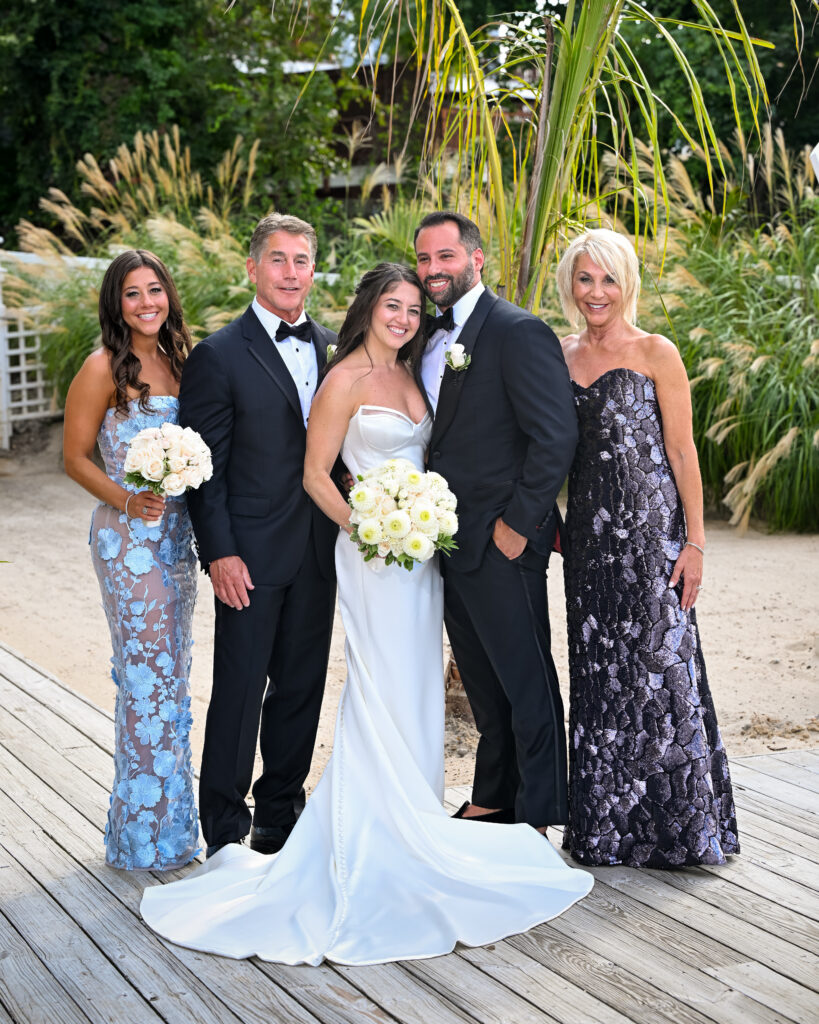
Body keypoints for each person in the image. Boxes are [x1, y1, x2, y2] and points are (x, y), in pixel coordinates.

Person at [140, 262, 592, 965]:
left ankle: (414, 812)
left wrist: (421, 519)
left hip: (421, 558)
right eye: (392, 304)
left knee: (414, 684)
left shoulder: (416, 376)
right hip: (375, 556)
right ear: (368, 308)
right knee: (379, 681)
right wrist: (364, 527)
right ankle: (376, 832)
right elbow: (315, 473)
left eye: (414, 307)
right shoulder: (343, 376)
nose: (404, 317)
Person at [555, 227, 739, 868]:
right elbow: (550, 450)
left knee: (662, 673)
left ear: (627, 282)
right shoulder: (560, 354)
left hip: (652, 539)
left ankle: (679, 831)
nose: (596, 292)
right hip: (587, 547)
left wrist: (695, 543)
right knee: (602, 677)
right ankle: (607, 830)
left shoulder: (657, 352)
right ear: (570, 285)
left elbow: (684, 453)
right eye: (585, 278)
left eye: (608, 279)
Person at [176, 213, 338, 858]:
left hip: (318, 551)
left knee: (301, 687)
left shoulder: (333, 347)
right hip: (247, 552)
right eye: (278, 259)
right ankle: (222, 827)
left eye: (302, 260)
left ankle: (280, 812)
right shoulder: (217, 355)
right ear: (252, 268)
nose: (291, 272)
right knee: (241, 689)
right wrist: (218, 550)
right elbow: (203, 468)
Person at [415, 211, 578, 832]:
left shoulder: (515, 331)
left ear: (476, 259)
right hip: (449, 539)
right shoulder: (425, 337)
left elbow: (554, 435)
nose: (433, 270)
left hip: (503, 539)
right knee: (484, 681)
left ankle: (538, 811)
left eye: (445, 257)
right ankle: (494, 794)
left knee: (524, 675)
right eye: (425, 259)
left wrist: (517, 525)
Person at [63, 249, 199, 870]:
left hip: (177, 541)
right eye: (133, 294)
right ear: (116, 304)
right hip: (127, 543)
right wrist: (125, 499)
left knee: (173, 677)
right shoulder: (100, 368)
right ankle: (139, 838)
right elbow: (75, 457)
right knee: (144, 679)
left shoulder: (183, 361)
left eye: (156, 291)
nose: (148, 304)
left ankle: (174, 834)